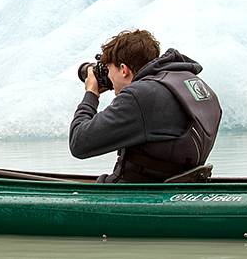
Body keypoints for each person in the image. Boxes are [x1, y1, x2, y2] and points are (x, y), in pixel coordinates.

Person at [69, 29, 222, 183]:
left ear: (124, 69)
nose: (108, 77)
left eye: (109, 70)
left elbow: (79, 143)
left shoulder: (140, 97)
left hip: (140, 193)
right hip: (180, 186)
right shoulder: (190, 85)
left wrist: (91, 94)